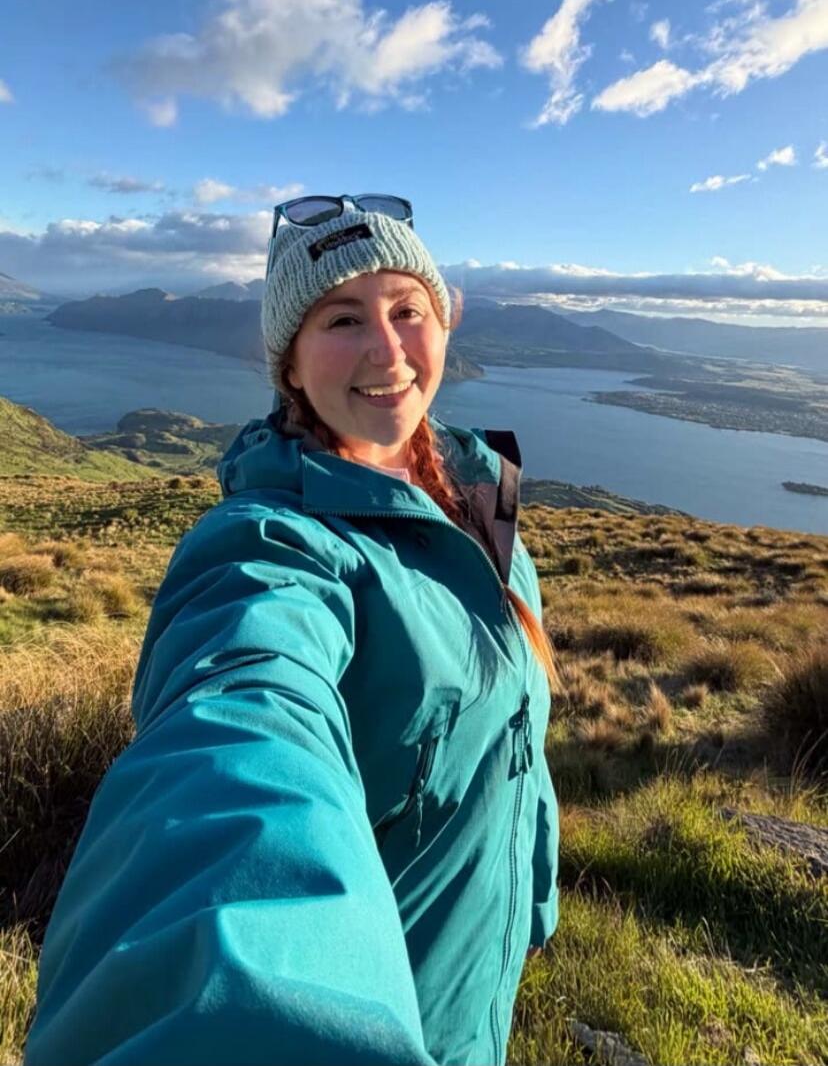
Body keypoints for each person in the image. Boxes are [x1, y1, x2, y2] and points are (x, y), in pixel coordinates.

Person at [24, 193, 560, 1066]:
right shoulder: (272, 545)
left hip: (467, 997)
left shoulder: (477, 507)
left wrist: (531, 896)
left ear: (444, 321)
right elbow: (242, 732)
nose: (386, 348)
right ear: (292, 366)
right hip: (373, 1024)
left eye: (406, 310)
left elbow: (513, 744)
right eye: (343, 319)